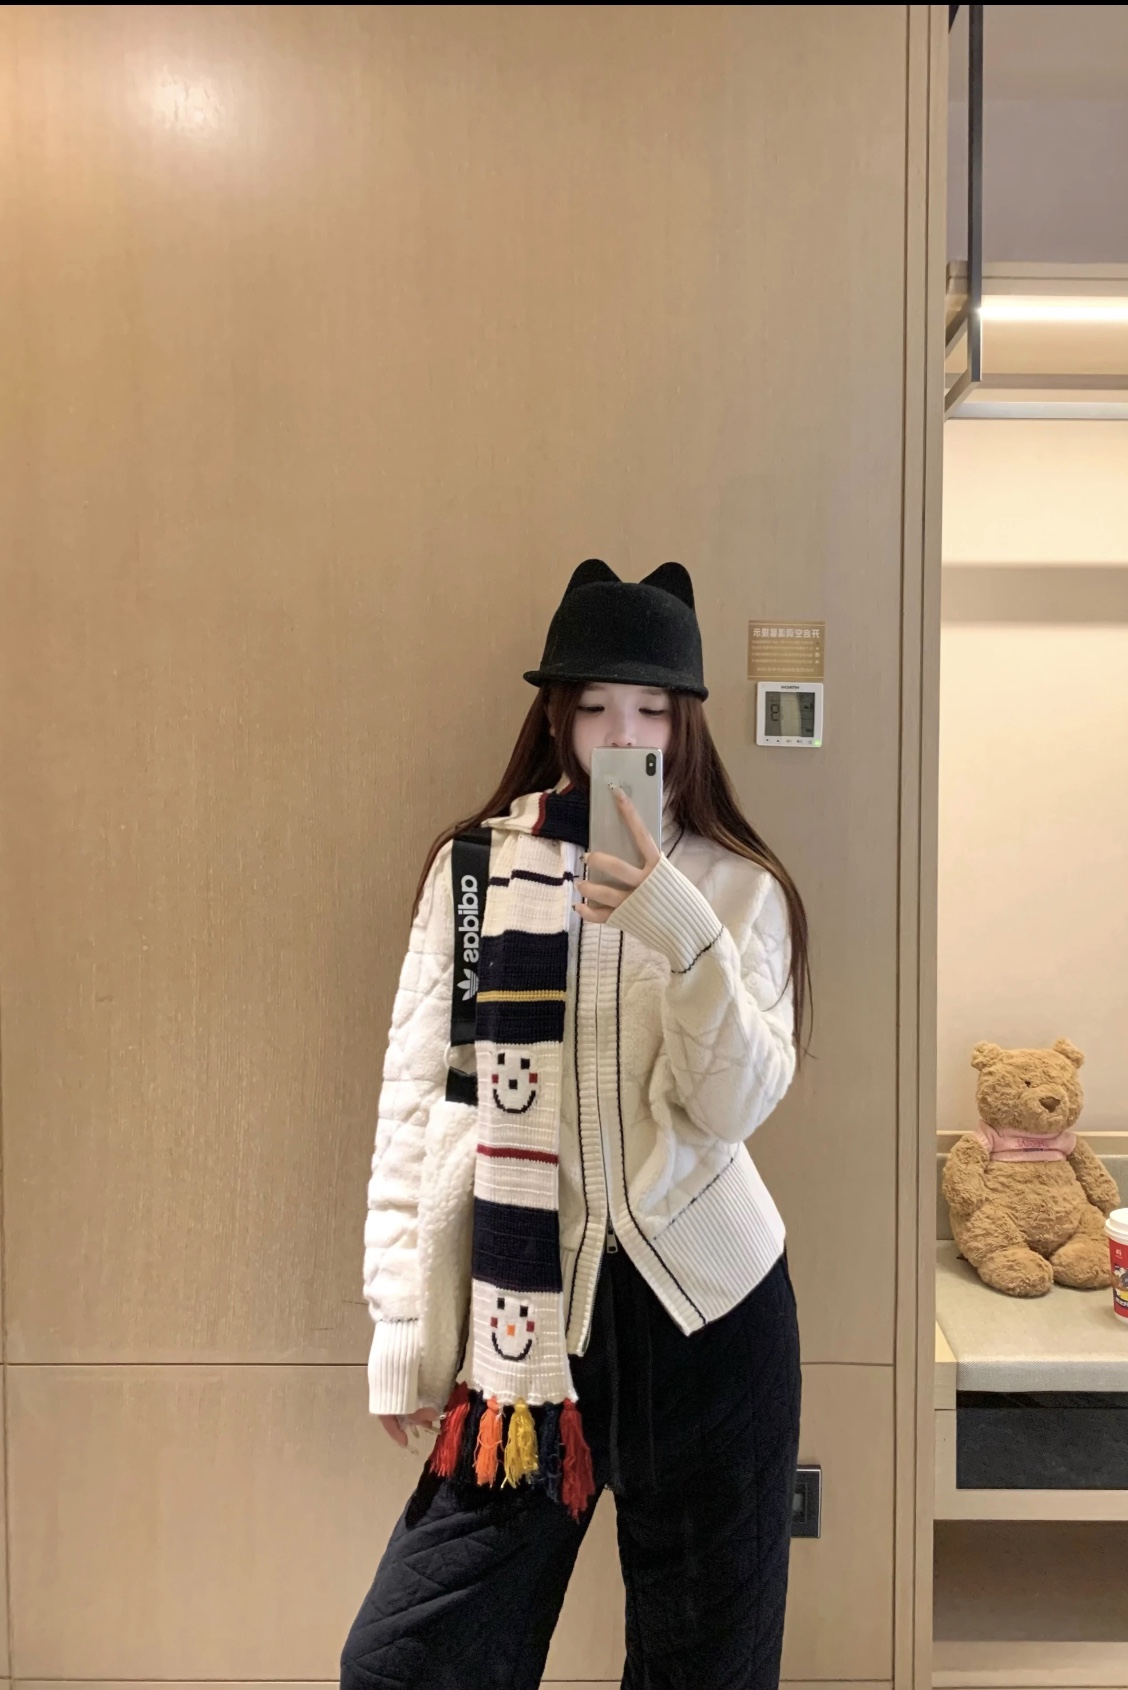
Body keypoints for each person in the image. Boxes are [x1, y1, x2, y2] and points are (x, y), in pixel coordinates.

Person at [340, 559, 810, 1690]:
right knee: (409, 1665)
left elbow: (734, 1105)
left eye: (650, 708)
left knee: (705, 1672)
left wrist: (681, 931)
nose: (620, 734)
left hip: (713, 1326)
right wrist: (404, 1323)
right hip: (524, 1332)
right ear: (556, 715)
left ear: (686, 724)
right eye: (594, 705)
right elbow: (419, 1100)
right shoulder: (474, 870)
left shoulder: (739, 889)